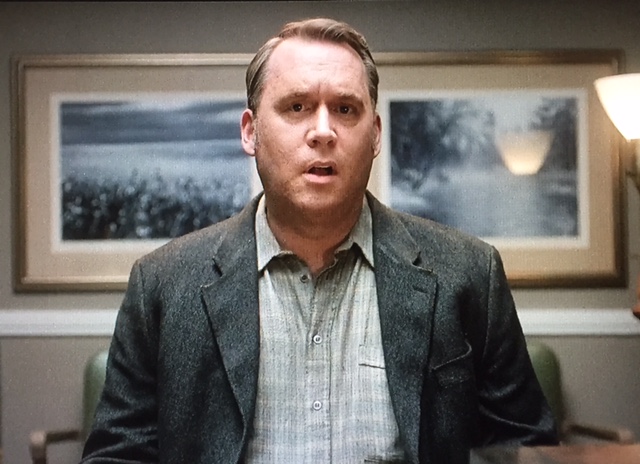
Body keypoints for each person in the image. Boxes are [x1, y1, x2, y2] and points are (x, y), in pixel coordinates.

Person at [81, 17, 558, 464]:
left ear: (375, 135)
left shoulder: (468, 273)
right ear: (250, 132)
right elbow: (118, 454)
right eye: (297, 107)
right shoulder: (163, 285)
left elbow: (523, 447)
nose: (324, 131)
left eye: (345, 109)